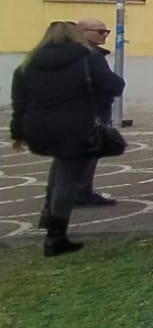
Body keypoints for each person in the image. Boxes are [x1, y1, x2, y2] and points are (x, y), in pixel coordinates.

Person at [10, 21, 126, 256]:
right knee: (68, 179)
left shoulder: (29, 62)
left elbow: (19, 102)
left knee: (59, 170)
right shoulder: (88, 58)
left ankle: (47, 217)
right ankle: (56, 236)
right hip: (75, 127)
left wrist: (18, 133)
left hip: (38, 127)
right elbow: (114, 85)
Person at [70, 16, 119, 206]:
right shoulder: (92, 56)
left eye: (106, 31)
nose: (105, 35)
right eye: (100, 32)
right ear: (83, 33)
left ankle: (73, 192)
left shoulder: (70, 54)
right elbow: (109, 83)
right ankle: (81, 194)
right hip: (92, 112)